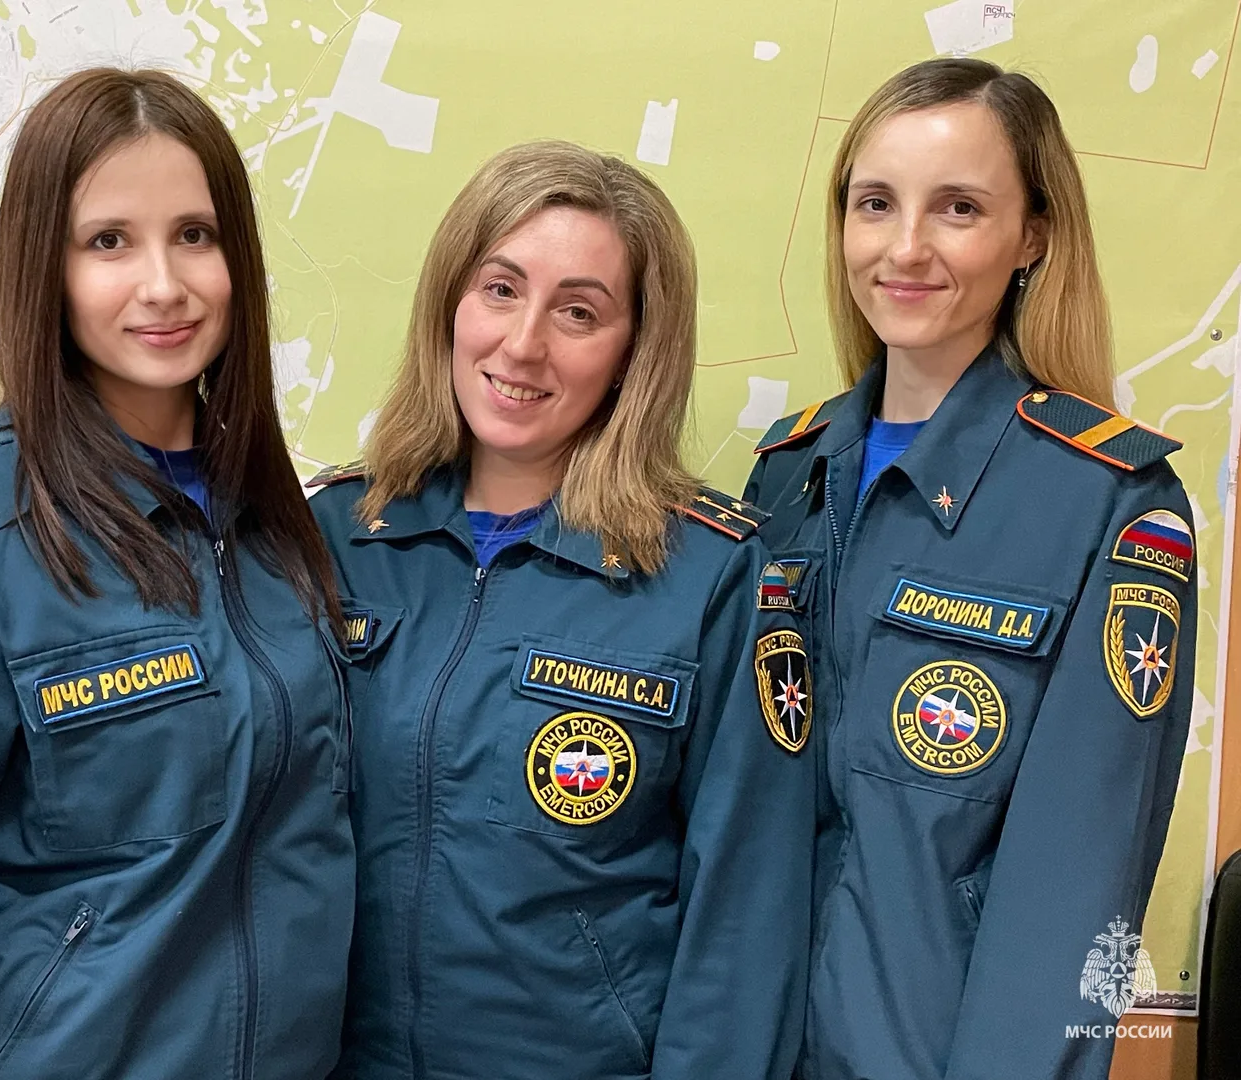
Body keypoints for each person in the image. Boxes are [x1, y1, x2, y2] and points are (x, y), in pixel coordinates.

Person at [0, 68, 355, 1079]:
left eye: (195, 234)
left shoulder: (282, 525)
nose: (163, 284)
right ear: (45, 267)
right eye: (109, 241)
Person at [307, 140, 815, 1079]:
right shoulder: (333, 536)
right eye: (500, 289)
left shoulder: (712, 576)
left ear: (633, 352)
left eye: (578, 311)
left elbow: (747, 918)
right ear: (450, 302)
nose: (523, 343)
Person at [745, 58, 1197, 1080]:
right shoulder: (784, 476)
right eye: (875, 203)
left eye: (958, 207)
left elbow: (1075, 892)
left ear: (1033, 235)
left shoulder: (1111, 503)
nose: (904, 247)